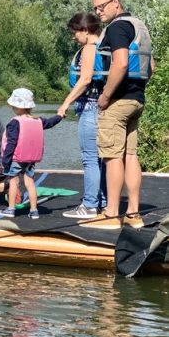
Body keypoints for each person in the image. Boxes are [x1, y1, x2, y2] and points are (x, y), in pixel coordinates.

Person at [82, 0, 154, 230]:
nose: (98, 11)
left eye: (102, 6)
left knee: (112, 156)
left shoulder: (117, 28)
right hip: (137, 100)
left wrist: (106, 95)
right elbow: (150, 66)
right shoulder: (138, 25)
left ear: (116, 3)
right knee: (130, 155)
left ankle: (111, 214)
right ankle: (134, 213)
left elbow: (121, 63)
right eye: (95, 8)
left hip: (118, 102)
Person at [56, 12, 107, 219]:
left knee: (90, 159)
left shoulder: (89, 48)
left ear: (86, 30)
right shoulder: (106, 46)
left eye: (75, 32)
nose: (74, 37)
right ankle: (102, 202)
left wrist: (65, 103)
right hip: (102, 108)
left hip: (90, 108)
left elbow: (85, 79)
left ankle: (89, 205)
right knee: (101, 159)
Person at [0, 88, 62, 219]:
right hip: (31, 160)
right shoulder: (38, 120)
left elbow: (11, 143)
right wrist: (60, 116)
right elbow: (50, 122)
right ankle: (34, 211)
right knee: (30, 183)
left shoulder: (15, 123)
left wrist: (6, 161)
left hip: (16, 159)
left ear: (17, 107)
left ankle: (10, 209)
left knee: (13, 182)